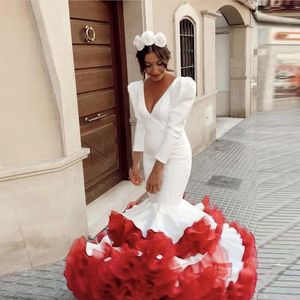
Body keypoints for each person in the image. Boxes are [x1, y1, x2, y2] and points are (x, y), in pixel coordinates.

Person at [64, 31, 257, 300]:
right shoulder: (135, 88)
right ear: (141, 65)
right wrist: (136, 164)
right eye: (148, 65)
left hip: (174, 156)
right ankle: (154, 276)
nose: (154, 70)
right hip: (151, 157)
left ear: (166, 60)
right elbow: (141, 126)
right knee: (155, 210)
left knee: (167, 208)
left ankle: (176, 282)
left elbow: (175, 129)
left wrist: (158, 169)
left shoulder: (182, 86)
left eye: (159, 63)